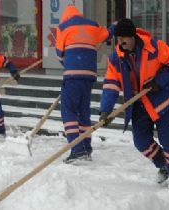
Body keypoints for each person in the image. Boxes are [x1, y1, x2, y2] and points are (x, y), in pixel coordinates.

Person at [99, 18, 169, 188]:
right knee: (141, 142)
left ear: (133, 37)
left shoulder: (154, 47)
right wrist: (105, 110)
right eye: (118, 38)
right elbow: (111, 85)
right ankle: (164, 166)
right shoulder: (116, 57)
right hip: (137, 104)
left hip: (161, 102)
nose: (120, 42)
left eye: (124, 37)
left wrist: (158, 81)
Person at [55, 5, 117, 163]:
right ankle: (86, 149)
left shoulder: (63, 27)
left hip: (72, 75)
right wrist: (114, 26)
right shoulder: (92, 25)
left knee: (68, 111)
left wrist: (69, 65)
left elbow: (59, 53)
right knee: (83, 112)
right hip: (89, 76)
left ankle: (76, 150)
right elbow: (107, 34)